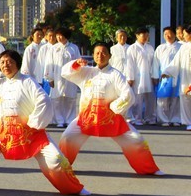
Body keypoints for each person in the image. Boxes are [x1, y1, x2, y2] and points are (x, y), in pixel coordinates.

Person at [0, 49, 88, 195]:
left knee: (56, 160)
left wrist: (33, 123)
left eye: (10, 62)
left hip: (31, 133)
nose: (6, 65)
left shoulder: (28, 81)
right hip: (4, 134)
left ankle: (73, 188)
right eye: (3, 62)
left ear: (17, 63)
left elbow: (44, 100)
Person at [58, 43, 163, 175]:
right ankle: (62, 168)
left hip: (111, 119)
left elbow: (128, 94)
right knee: (68, 138)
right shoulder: (87, 72)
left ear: (109, 56)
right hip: (87, 118)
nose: (100, 56)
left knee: (136, 140)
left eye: (103, 53)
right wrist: (76, 64)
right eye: (97, 53)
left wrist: (115, 107)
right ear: (93, 56)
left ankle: (149, 169)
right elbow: (65, 73)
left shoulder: (116, 74)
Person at [47, 27, 81, 128]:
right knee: (57, 99)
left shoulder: (73, 48)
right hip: (57, 77)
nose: (59, 37)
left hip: (70, 77)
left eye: (61, 35)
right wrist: (50, 78)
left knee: (70, 98)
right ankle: (59, 120)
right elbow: (49, 64)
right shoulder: (53, 48)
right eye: (57, 35)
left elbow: (78, 62)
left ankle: (69, 119)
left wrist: (78, 76)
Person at [126, 28, 156, 125]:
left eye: (147, 36)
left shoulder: (150, 48)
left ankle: (150, 117)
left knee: (150, 98)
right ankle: (137, 118)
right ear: (137, 36)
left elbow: (154, 63)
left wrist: (154, 75)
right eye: (143, 36)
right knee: (137, 99)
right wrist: (130, 78)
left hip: (149, 76)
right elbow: (129, 64)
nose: (146, 38)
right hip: (137, 77)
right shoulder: (132, 48)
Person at [154, 26, 182, 126]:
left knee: (176, 98)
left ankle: (175, 118)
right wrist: (155, 76)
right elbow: (155, 63)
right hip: (164, 77)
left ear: (174, 34)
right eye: (165, 34)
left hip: (177, 77)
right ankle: (164, 119)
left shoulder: (180, 47)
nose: (168, 36)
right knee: (163, 98)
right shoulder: (160, 48)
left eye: (169, 33)